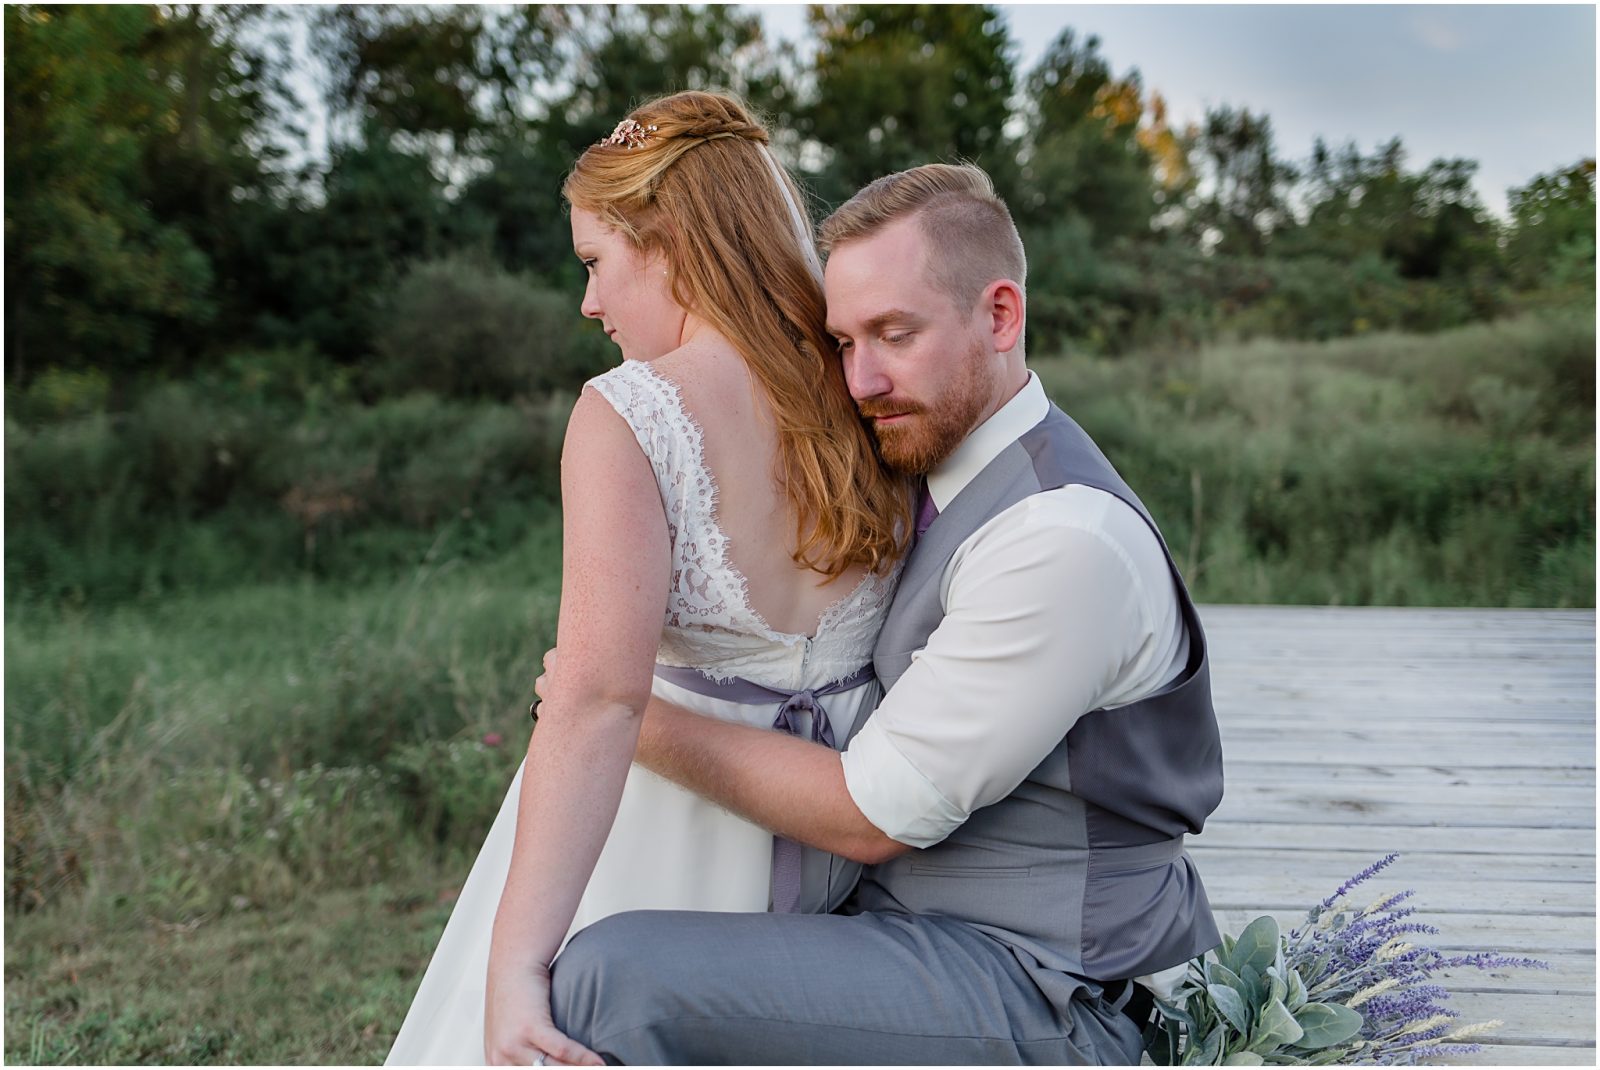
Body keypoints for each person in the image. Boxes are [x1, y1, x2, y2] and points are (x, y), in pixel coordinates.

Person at [534, 162, 1226, 1065]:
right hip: (932, 934)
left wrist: (631, 715)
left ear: (1001, 315)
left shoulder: (1064, 540)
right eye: (845, 342)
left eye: (896, 335)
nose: (861, 381)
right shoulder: (932, 475)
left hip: (1054, 987)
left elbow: (873, 814)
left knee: (613, 978)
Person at [384, 91, 911, 1067]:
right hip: (838, 836)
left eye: (595, 262)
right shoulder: (868, 390)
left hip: (659, 838)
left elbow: (593, 700)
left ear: (669, 241)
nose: (588, 303)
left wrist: (514, 968)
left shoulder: (630, 412)